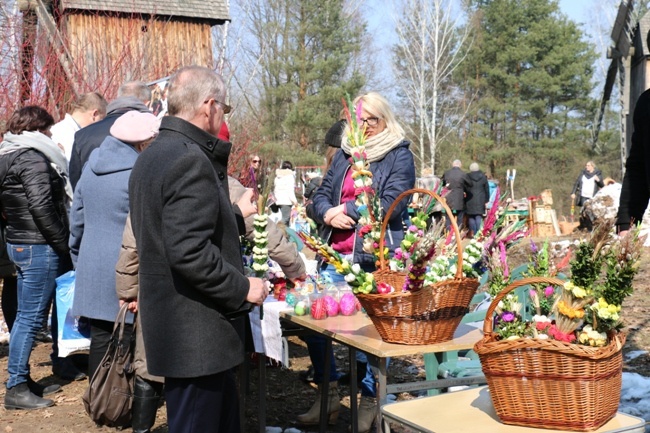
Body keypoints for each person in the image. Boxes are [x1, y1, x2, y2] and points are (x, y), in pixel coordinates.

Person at [128, 65, 267, 433]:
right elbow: (187, 250)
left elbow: (172, 229)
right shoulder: (189, 158)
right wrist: (243, 288)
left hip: (182, 327)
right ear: (208, 106)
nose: (223, 115)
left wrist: (233, 218)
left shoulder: (153, 154)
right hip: (195, 333)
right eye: (224, 107)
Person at [307, 92, 415, 433]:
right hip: (334, 254)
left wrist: (349, 211)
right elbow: (320, 195)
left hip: (373, 257)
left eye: (372, 120)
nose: (365, 127)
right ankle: (328, 392)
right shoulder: (344, 152)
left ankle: (371, 399)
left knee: (371, 334)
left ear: (384, 119)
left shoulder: (399, 154)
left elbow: (393, 203)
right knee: (317, 326)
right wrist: (326, 211)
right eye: (359, 120)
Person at [69, 111, 160, 384]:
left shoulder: (91, 165)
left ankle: (100, 399)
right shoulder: (140, 173)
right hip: (128, 265)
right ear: (142, 143)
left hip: (92, 262)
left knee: (100, 337)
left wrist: (78, 257)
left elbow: (77, 218)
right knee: (130, 339)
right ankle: (123, 404)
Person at [0, 106, 71, 410]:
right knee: (30, 319)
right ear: (38, 129)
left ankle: (22, 379)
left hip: (18, 241)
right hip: (38, 245)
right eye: (48, 129)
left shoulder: (5, 154)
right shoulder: (32, 159)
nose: (51, 135)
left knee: (24, 317)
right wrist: (64, 245)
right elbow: (42, 208)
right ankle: (15, 386)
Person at [69, 81, 151, 190]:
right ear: (147, 104)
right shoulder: (149, 131)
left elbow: (76, 183)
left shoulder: (82, 135)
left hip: (94, 203)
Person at [50, 92, 108, 162]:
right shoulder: (65, 134)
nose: (101, 126)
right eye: (101, 120)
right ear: (94, 114)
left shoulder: (60, 130)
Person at [441, 159, 469, 229]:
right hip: (459, 196)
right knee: (460, 215)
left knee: (448, 215)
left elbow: (442, 183)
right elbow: (469, 184)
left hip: (448, 196)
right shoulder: (463, 174)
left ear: (453, 165)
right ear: (460, 165)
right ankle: (458, 232)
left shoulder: (447, 173)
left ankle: (448, 231)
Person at [465, 162, 490, 236]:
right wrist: (486, 200)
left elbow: (465, 188)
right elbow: (487, 189)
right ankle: (478, 233)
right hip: (480, 199)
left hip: (470, 199)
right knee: (478, 216)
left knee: (471, 216)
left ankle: (473, 232)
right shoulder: (483, 177)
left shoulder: (467, 177)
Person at [274, 160, 298, 226]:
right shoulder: (290, 177)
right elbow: (290, 190)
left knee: (285, 221)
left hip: (278, 201)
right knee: (285, 219)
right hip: (286, 201)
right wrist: (295, 201)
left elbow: (275, 189)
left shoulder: (277, 177)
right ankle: (277, 231)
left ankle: (285, 235)